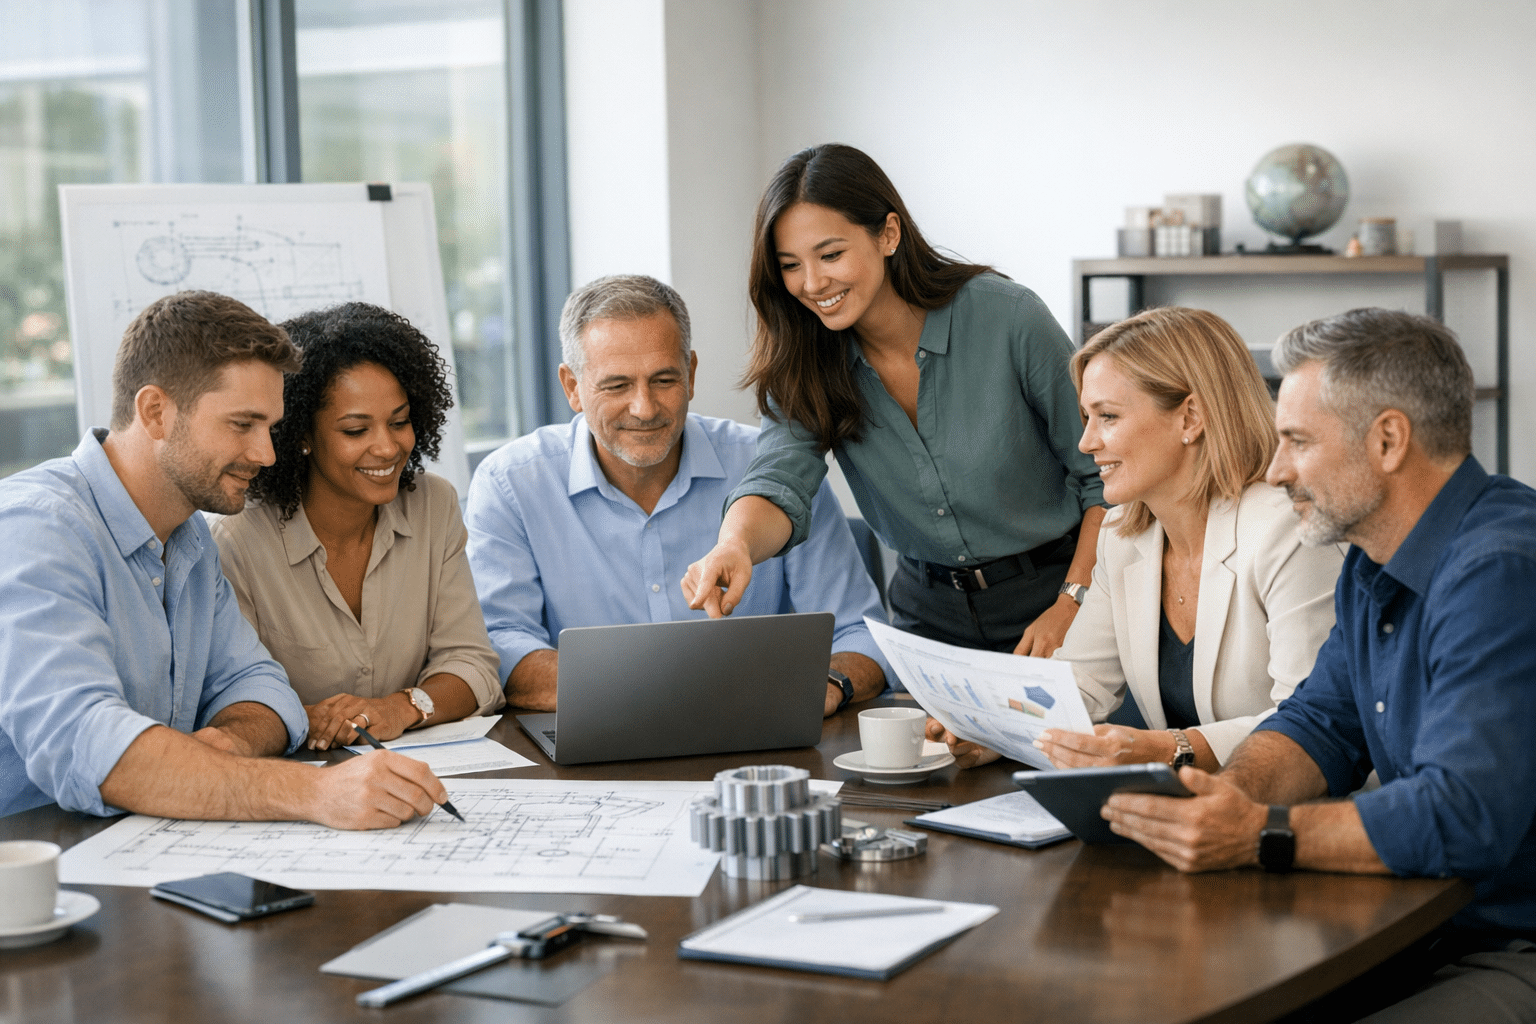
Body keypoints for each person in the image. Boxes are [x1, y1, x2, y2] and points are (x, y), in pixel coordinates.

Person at [1102, 308, 1536, 1022]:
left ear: (1388, 440)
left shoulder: (1501, 570)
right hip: (1419, 921)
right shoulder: (1371, 560)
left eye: (1298, 442)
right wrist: (1232, 799)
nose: (1274, 472)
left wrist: (1259, 834)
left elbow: (1465, 816)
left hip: (1513, 940)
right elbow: (1319, 724)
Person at [0, 291, 450, 828]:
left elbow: (264, 690)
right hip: (35, 867)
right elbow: (85, 743)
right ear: (155, 412)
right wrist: (315, 791)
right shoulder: (36, 528)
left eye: (271, 427)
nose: (266, 454)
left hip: (135, 845)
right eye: (243, 425)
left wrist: (227, 743)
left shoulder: (187, 535)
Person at [683, 143, 1106, 658]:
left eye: (831, 254)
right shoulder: (805, 357)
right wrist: (736, 545)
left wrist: (1073, 601)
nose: (813, 284)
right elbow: (779, 478)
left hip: (1058, 593)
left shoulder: (1008, 318)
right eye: (791, 264)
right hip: (927, 618)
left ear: (888, 234)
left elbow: (1102, 475)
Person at [931, 307, 1343, 772]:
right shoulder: (1122, 534)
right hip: (1189, 810)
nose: (1086, 443)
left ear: (1190, 418)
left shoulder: (1287, 532)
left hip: (1297, 814)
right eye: (1087, 417)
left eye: (1107, 416)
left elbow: (1312, 723)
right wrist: (992, 729)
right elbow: (1081, 685)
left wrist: (1167, 749)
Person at [466, 274, 891, 716]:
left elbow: (861, 635)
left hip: (758, 738)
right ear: (573, 387)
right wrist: (665, 692)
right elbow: (501, 647)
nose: (644, 408)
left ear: (690, 373)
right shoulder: (511, 484)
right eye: (617, 386)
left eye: (664, 380)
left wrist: (827, 685)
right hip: (593, 746)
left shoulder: (777, 470)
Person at [212, 303, 502, 752]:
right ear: (302, 434)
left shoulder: (433, 505)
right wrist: (309, 720)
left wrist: (399, 707)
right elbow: (234, 699)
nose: (387, 447)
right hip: (296, 780)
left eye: (400, 422)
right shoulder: (238, 539)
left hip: (421, 767)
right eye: (355, 430)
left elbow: (472, 664)